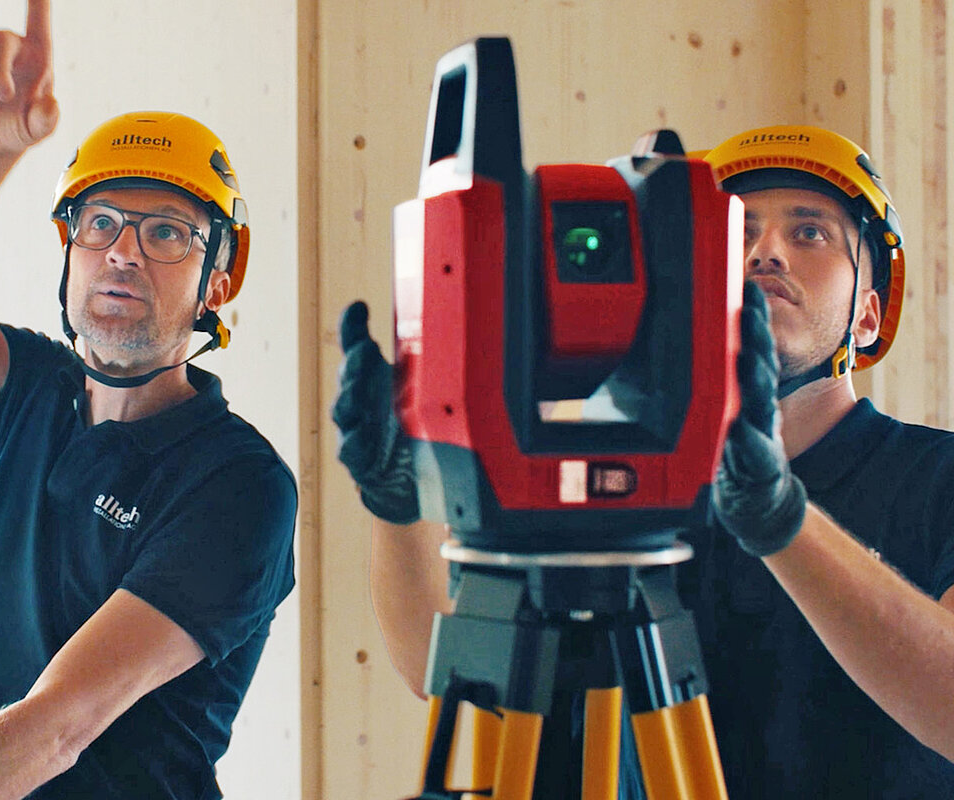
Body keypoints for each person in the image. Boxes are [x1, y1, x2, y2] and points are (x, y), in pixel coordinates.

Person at [332, 124, 954, 797]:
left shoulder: (936, 480)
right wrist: (400, 503)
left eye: (810, 232)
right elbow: (442, 669)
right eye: (736, 231)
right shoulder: (617, 474)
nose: (766, 251)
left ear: (868, 316)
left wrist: (781, 522)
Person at [0, 3, 296, 799]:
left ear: (219, 282)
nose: (124, 251)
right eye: (100, 223)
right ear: (71, 251)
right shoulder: (33, 393)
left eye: (167, 232)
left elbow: (61, 723)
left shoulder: (239, 483)